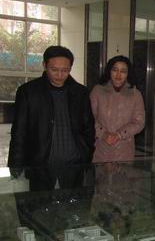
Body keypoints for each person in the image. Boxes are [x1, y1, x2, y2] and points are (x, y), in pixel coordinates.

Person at [8, 45, 95, 190]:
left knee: (74, 202)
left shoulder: (81, 92)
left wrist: (86, 154)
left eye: (65, 70)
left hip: (74, 163)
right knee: (40, 202)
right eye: (54, 69)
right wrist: (16, 164)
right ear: (44, 65)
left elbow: (88, 127)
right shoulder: (28, 91)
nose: (59, 75)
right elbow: (19, 131)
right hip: (40, 163)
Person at [90, 55, 145, 163]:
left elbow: (139, 122)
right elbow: (89, 118)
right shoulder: (97, 91)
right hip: (100, 148)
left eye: (123, 71)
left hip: (124, 150)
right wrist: (103, 134)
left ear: (128, 74)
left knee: (123, 173)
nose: (118, 75)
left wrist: (120, 134)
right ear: (109, 71)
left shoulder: (135, 94)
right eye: (115, 70)